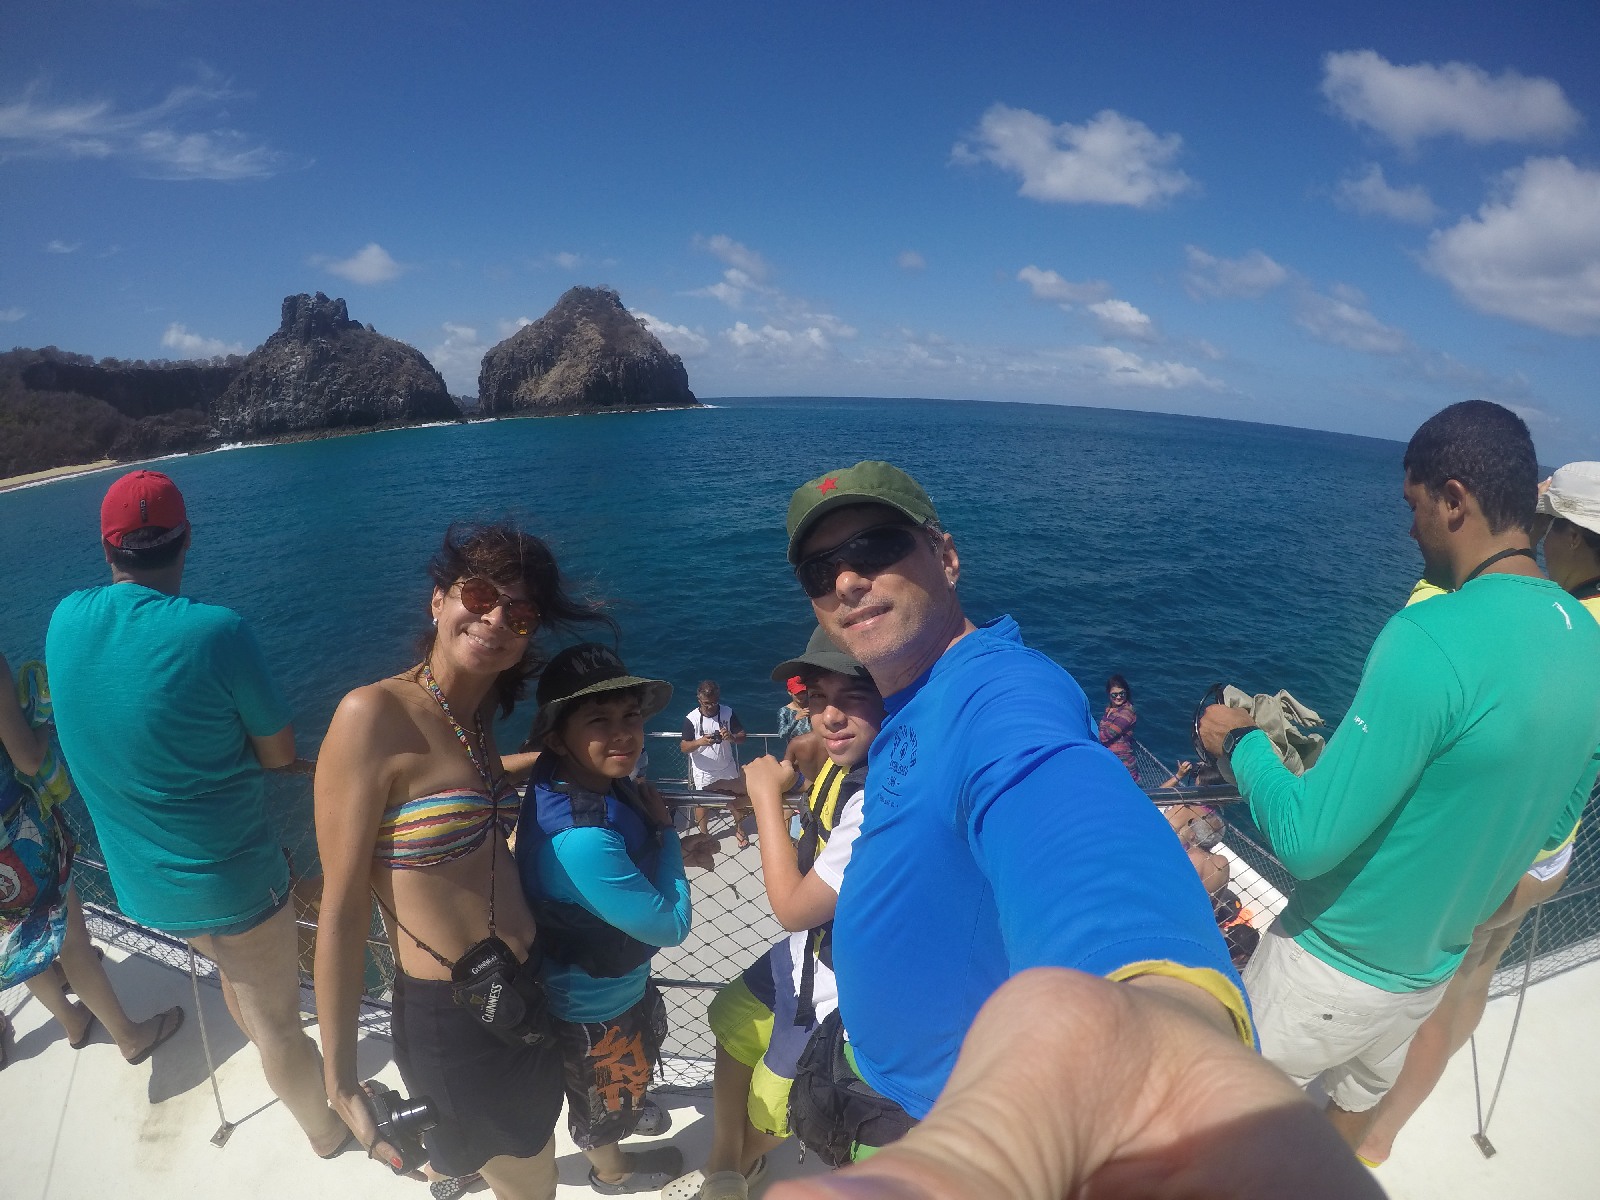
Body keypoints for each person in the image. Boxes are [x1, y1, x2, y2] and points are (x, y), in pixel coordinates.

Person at [778, 460, 1268, 1164]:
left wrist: (1160, 1032)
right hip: (872, 1068)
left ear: (946, 557)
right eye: (820, 571)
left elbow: (1060, 811)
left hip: (939, 1123)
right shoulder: (912, 700)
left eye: (876, 547)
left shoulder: (1001, 690)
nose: (847, 581)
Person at [1198, 402, 1600, 1153]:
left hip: (1330, 966)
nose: (1409, 529)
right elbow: (1547, 839)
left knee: (1212, 1137)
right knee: (1349, 1118)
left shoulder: (1427, 634)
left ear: (1454, 499)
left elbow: (1308, 842)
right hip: (1428, 977)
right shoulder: (1589, 642)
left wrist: (1241, 744)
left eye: (1413, 506)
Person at [45, 470, 339, 1154]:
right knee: (280, 1026)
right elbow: (279, 754)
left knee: (237, 979)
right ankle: (326, 1133)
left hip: (144, 885)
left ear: (108, 546)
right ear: (187, 540)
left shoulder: (64, 618)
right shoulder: (216, 631)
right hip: (232, 882)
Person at [315, 521, 611, 1198]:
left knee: (533, 1148)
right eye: (479, 596)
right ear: (438, 600)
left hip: (521, 984)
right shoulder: (371, 715)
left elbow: (469, 786)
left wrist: (572, 761)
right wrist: (340, 1081)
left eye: (520, 614)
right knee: (531, 1180)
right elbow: (341, 909)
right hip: (454, 1018)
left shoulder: (471, 719)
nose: (496, 619)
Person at [1355, 459, 1600, 1166]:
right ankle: (1384, 1135)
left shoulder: (1566, 623)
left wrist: (1467, 560)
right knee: (1470, 985)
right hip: (1551, 855)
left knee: (1413, 980)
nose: (1541, 540)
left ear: (1572, 536)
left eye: (1548, 527)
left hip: (1496, 849)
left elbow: (1439, 622)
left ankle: (1361, 1123)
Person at [668, 628, 885, 1200]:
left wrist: (765, 796)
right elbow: (802, 754)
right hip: (810, 950)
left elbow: (791, 909)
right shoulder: (831, 750)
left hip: (841, 973)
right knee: (731, 1015)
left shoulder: (880, 796)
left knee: (776, 1103)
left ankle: (738, 1166)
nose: (830, 717)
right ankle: (725, 1162)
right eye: (818, 698)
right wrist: (779, 770)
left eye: (854, 697)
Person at [515, 643, 718, 1195]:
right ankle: (612, 1171)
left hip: (614, 977)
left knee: (627, 1071)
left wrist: (667, 853)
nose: (623, 734)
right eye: (599, 721)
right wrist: (669, 836)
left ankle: (631, 1098)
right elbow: (672, 926)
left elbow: (618, 863)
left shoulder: (576, 776)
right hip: (593, 1003)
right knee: (602, 1098)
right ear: (558, 738)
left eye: (630, 716)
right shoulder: (581, 838)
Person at [1, 652, 181, 1068]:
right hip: (16, 838)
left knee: (22, 938)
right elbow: (27, 758)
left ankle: (73, 1021)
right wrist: (40, 723)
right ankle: (130, 1038)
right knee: (71, 941)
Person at [681, 681, 750, 848]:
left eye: (714, 702)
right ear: (699, 699)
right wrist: (699, 742)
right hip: (703, 771)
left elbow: (742, 736)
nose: (711, 706)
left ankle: (739, 829)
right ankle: (704, 834)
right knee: (701, 802)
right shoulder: (691, 719)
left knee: (736, 799)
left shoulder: (728, 712)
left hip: (727, 766)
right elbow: (684, 747)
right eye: (707, 703)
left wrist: (731, 737)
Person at [1097, 673, 1138, 778]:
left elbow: (1107, 735)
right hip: (1110, 760)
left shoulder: (1127, 712)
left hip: (1123, 765)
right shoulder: (1110, 709)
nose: (1119, 697)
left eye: (1122, 693)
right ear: (1109, 694)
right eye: (1114, 695)